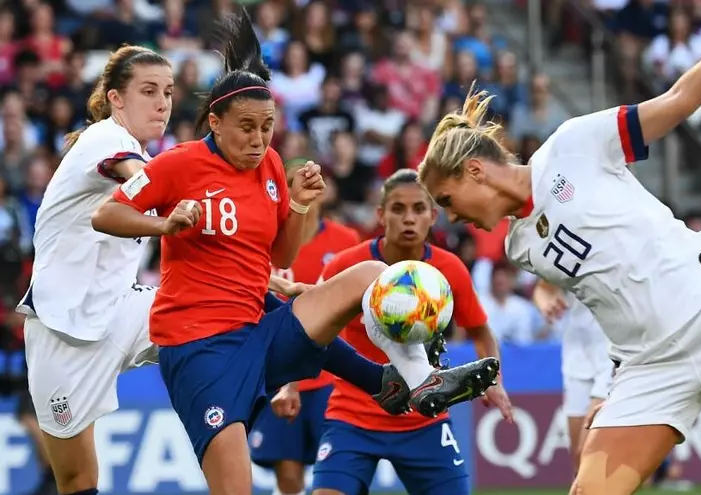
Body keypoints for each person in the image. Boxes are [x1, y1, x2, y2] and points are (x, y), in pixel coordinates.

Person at [416, 0, 701, 492]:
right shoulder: (521, 247)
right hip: (651, 369)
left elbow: (679, 100)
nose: (450, 216)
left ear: (474, 170)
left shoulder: (573, 145)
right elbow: (610, 300)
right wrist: (609, 388)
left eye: (446, 199)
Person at [90, 11, 498, 494]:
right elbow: (106, 214)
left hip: (258, 331)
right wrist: (165, 223)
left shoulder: (270, 166)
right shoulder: (179, 163)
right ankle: (379, 380)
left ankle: (411, 379)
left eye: (267, 127)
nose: (259, 139)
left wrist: (301, 202)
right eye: (246, 127)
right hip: (199, 347)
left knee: (371, 271)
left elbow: (280, 250)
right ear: (215, 123)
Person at [13, 45, 175, 495]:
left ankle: (361, 375)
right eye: (149, 91)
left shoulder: (135, 147)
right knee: (77, 481)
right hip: (62, 329)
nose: (163, 102)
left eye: (168, 91)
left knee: (223, 313)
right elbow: (144, 180)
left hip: (123, 309)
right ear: (116, 98)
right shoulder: (106, 139)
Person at [311, 169, 513, 495]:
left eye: (418, 209)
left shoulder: (449, 269)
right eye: (398, 209)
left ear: (433, 216)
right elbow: (311, 324)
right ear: (381, 214)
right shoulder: (347, 264)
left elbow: (480, 331)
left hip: (424, 418)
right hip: (353, 416)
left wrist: (496, 382)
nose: (409, 218)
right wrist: (290, 387)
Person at [250, 160, 361, 495]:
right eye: (292, 181)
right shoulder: (265, 240)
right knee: (288, 475)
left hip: (329, 376)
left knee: (333, 475)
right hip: (277, 372)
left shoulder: (346, 240)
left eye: (313, 180)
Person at [531, 280, 612, 477]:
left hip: (613, 352)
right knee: (578, 462)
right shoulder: (573, 251)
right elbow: (543, 288)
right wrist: (546, 305)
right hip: (577, 354)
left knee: (588, 453)